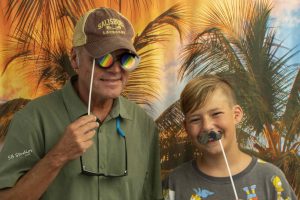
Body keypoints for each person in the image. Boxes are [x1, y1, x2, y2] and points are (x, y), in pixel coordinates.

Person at [0, 7, 163, 200]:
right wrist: (57, 156)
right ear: (75, 59)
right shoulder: (32, 119)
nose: (116, 70)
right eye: (104, 58)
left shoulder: (144, 125)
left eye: (126, 59)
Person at [164, 75, 296, 200]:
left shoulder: (270, 178)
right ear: (186, 127)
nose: (207, 126)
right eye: (195, 119)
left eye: (216, 113)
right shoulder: (175, 182)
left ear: (236, 115)